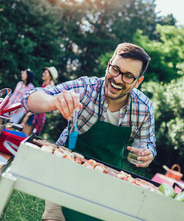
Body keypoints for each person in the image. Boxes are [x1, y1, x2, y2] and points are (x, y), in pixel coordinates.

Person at [22, 43, 156, 221]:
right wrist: (54, 101)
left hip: (107, 181)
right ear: (109, 65)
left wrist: (146, 153)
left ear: (138, 81)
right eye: (115, 69)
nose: (117, 79)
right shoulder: (86, 88)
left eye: (128, 76)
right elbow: (30, 97)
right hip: (66, 169)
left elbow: (147, 144)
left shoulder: (144, 108)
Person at [21, 66, 58, 136]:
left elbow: (41, 103)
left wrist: (28, 114)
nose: (43, 74)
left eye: (45, 73)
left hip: (35, 115)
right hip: (34, 113)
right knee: (24, 135)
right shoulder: (44, 86)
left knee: (24, 136)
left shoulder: (49, 88)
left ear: (50, 76)